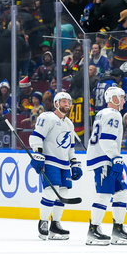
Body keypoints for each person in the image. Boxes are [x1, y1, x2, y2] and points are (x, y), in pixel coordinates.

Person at [84, 87, 127, 245]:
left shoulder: (102, 113)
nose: (124, 100)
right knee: (104, 194)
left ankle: (118, 229)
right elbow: (106, 140)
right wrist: (116, 158)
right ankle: (93, 231)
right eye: (121, 97)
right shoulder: (113, 114)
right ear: (113, 98)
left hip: (105, 157)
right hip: (104, 158)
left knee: (121, 191)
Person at [29, 92, 81, 241]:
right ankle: (43, 222)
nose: (67, 105)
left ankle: (55, 225)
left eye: (69, 102)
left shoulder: (69, 123)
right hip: (50, 160)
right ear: (57, 103)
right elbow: (36, 137)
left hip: (64, 163)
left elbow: (70, 147)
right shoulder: (47, 117)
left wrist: (74, 162)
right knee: (51, 192)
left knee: (63, 193)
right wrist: (38, 154)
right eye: (64, 101)